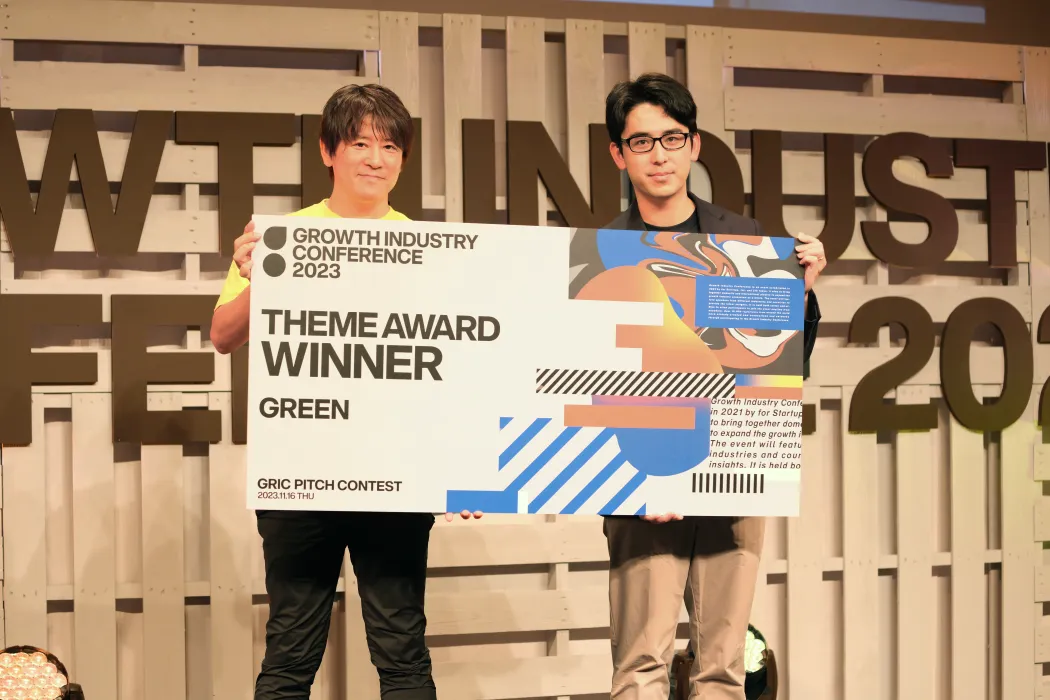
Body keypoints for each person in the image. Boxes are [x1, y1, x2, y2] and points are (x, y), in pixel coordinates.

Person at [210, 83, 481, 700]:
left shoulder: (428, 246)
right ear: (328, 151)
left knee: (403, 651)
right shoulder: (282, 237)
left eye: (389, 146)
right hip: (302, 473)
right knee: (290, 652)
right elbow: (223, 335)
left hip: (396, 474)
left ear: (403, 159)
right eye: (360, 143)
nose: (375, 159)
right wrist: (266, 279)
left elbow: (457, 366)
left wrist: (463, 466)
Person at [593, 73, 825, 700]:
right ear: (618, 154)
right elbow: (590, 382)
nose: (659, 154)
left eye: (673, 138)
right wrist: (633, 479)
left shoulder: (746, 241)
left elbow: (781, 368)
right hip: (641, 483)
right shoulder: (600, 252)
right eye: (641, 142)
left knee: (723, 668)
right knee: (639, 665)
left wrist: (798, 295)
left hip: (733, 471)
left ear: (694, 145)